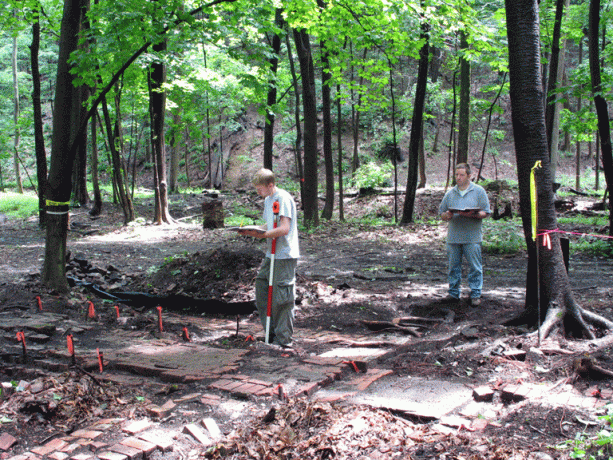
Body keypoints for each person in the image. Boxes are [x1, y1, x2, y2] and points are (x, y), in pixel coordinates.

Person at [238, 168, 299, 348]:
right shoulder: (268, 200)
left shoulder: (283, 198)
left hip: (284, 254)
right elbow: (270, 225)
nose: (258, 192)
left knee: (282, 297)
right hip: (270, 254)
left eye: (259, 189)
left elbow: (284, 228)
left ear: (270, 185)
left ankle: (283, 340)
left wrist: (263, 235)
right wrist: (254, 229)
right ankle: (270, 334)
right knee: (263, 286)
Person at [439, 163, 491, 306]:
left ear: (469, 175)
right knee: (453, 266)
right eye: (456, 175)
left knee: (475, 267)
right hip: (454, 237)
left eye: (462, 175)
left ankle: (475, 294)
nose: (458, 177)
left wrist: (472, 214)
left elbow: (486, 212)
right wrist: (447, 215)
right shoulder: (450, 193)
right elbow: (441, 213)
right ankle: (453, 293)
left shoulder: (479, 191)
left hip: (472, 237)